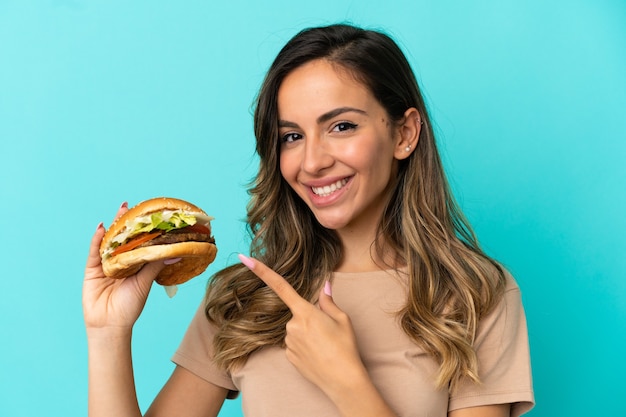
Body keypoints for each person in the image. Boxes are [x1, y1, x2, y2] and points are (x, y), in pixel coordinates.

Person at [83, 23, 534, 417]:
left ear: (404, 133)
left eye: (342, 126)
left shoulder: (477, 295)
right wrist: (108, 332)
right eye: (292, 136)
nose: (312, 162)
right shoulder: (246, 294)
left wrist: (346, 381)